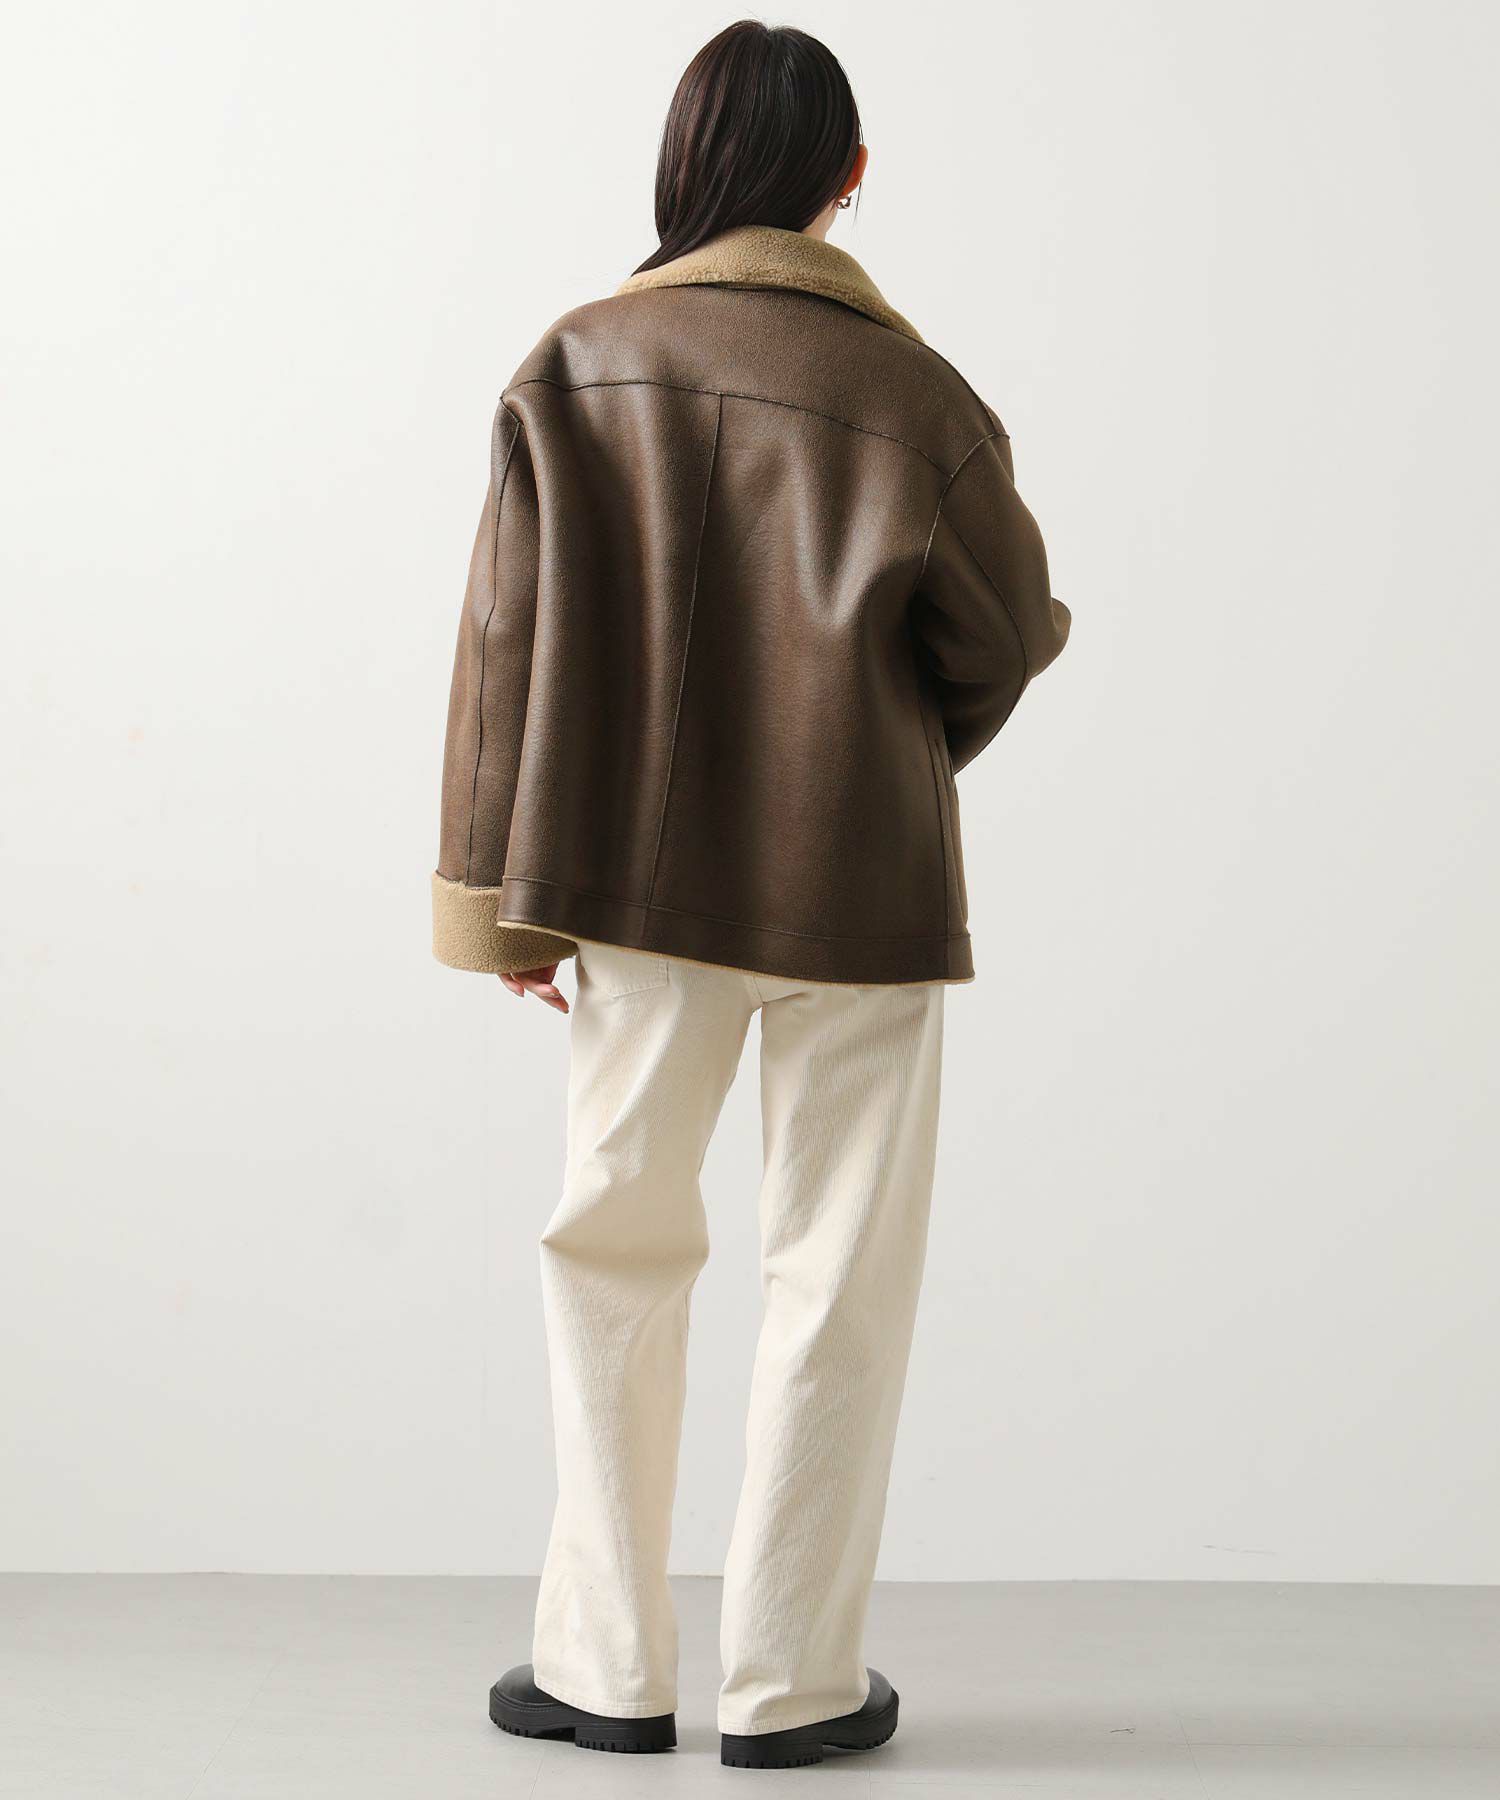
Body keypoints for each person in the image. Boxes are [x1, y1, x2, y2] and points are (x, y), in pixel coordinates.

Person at [432, 18, 1069, 1772]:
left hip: (632, 896)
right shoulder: (919, 398)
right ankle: (792, 1687)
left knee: (611, 1253)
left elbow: (502, 648)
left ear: (681, 163)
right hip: (865, 897)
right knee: (838, 1282)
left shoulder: (578, 365)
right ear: (848, 178)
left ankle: (604, 1669)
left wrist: (501, 909)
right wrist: (896, 747)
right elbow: (1008, 636)